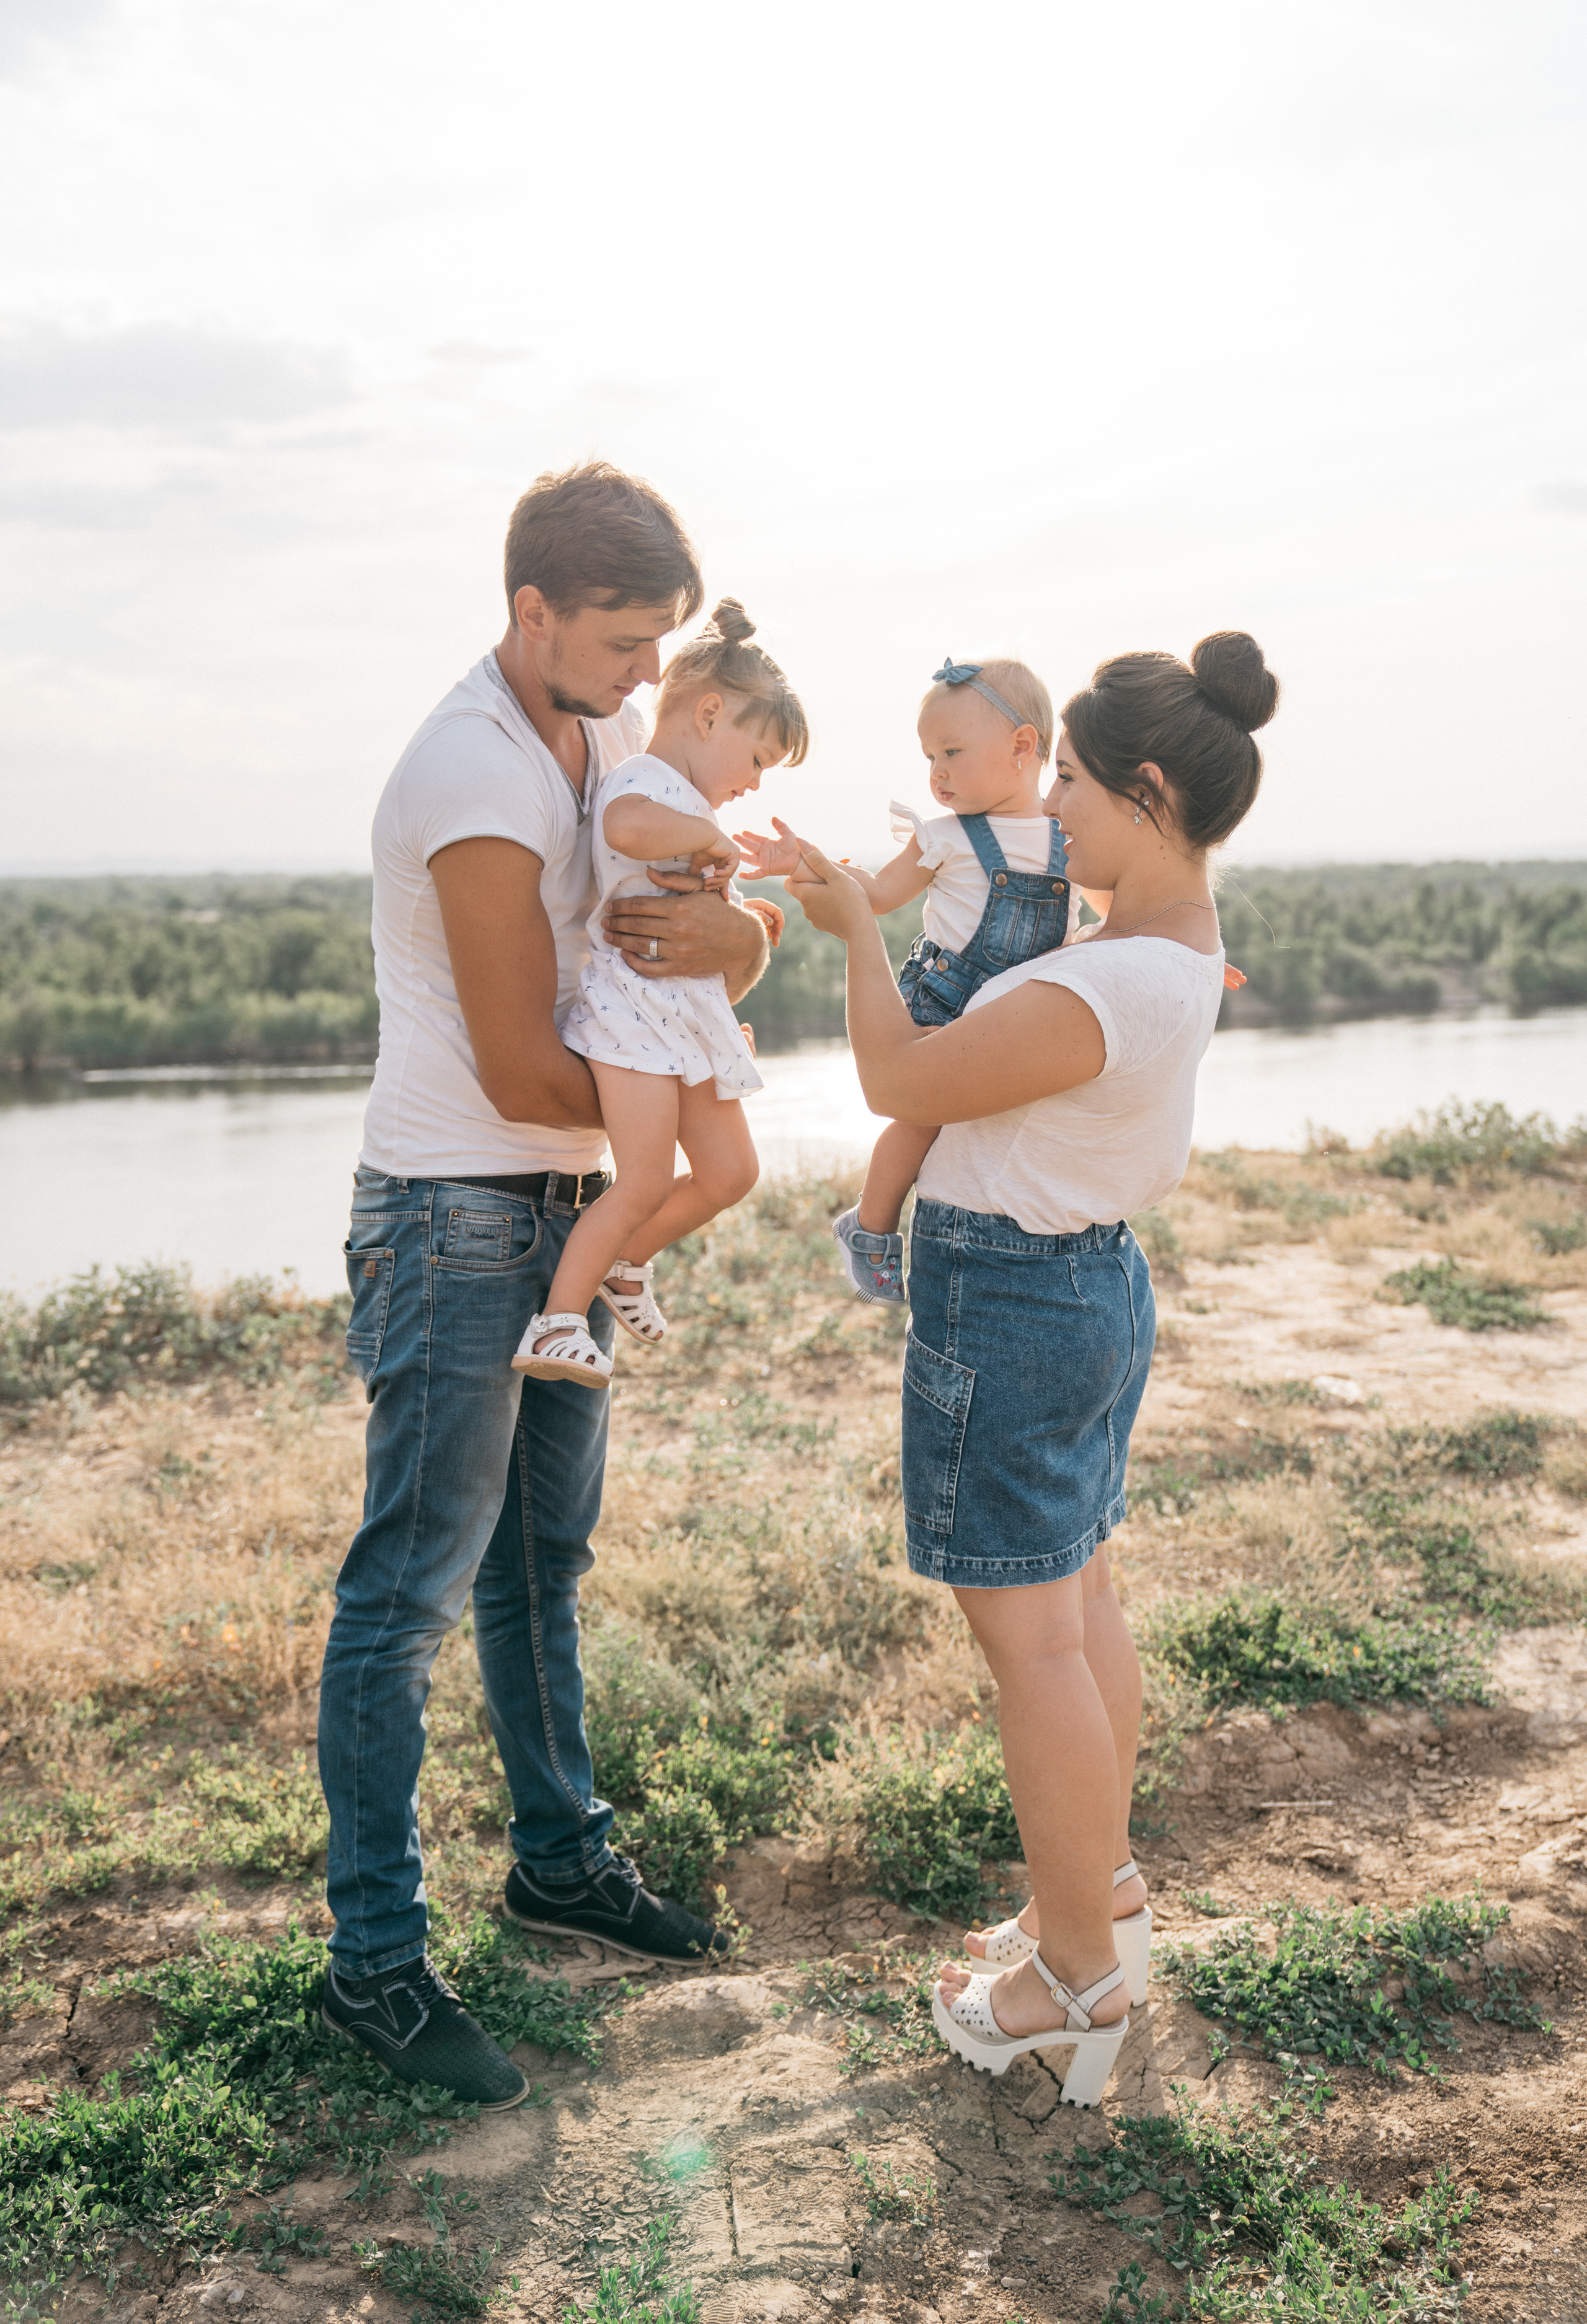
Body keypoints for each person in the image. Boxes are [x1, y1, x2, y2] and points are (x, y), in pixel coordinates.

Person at [318, 464, 777, 2109]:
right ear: (534, 613)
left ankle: (561, 1863)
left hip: (560, 1202)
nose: (654, 670)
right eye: (627, 639)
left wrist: (740, 959)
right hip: (456, 1214)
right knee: (411, 1592)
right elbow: (524, 1059)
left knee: (538, 1570)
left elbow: (676, 936)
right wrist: (699, 1096)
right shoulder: (474, 770)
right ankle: (373, 1963)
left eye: (664, 641)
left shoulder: (589, 738)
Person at [783, 631, 1280, 2104]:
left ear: (1141, 789)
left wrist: (852, 933)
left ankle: (1070, 1984)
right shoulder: (1162, 949)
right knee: (1078, 1608)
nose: (1049, 804)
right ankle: (1099, 1901)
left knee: (1034, 1648)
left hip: (1013, 1301)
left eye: (1066, 777)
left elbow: (895, 1083)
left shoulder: (1099, 986)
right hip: (1084, 1288)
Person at [518, 600, 810, 1384]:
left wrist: (742, 909)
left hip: (682, 1018)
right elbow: (628, 832)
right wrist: (710, 841)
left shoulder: (692, 803)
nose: (753, 783)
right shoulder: (644, 781)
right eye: (757, 760)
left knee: (730, 1173)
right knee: (643, 1177)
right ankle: (557, 1322)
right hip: (633, 1018)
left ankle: (627, 1261)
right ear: (709, 715)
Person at [737, 655, 1068, 1308]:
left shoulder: (1070, 838)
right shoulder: (945, 837)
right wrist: (804, 862)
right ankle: (871, 1226)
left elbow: (1121, 918)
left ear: (1021, 747)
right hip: (944, 1004)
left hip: (1020, 1015)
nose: (936, 773)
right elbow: (880, 893)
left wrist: (1173, 940)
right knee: (921, 1122)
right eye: (928, 757)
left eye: (951, 752)